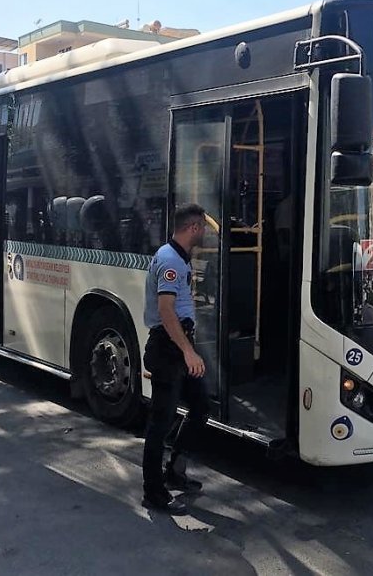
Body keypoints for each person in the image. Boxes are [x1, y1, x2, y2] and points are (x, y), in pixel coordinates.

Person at [141, 203, 210, 514]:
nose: (206, 232)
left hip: (176, 347)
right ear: (192, 228)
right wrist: (188, 351)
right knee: (160, 422)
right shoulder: (171, 260)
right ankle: (153, 492)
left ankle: (175, 472)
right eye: (203, 227)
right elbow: (166, 311)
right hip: (169, 350)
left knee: (200, 407)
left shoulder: (177, 257)